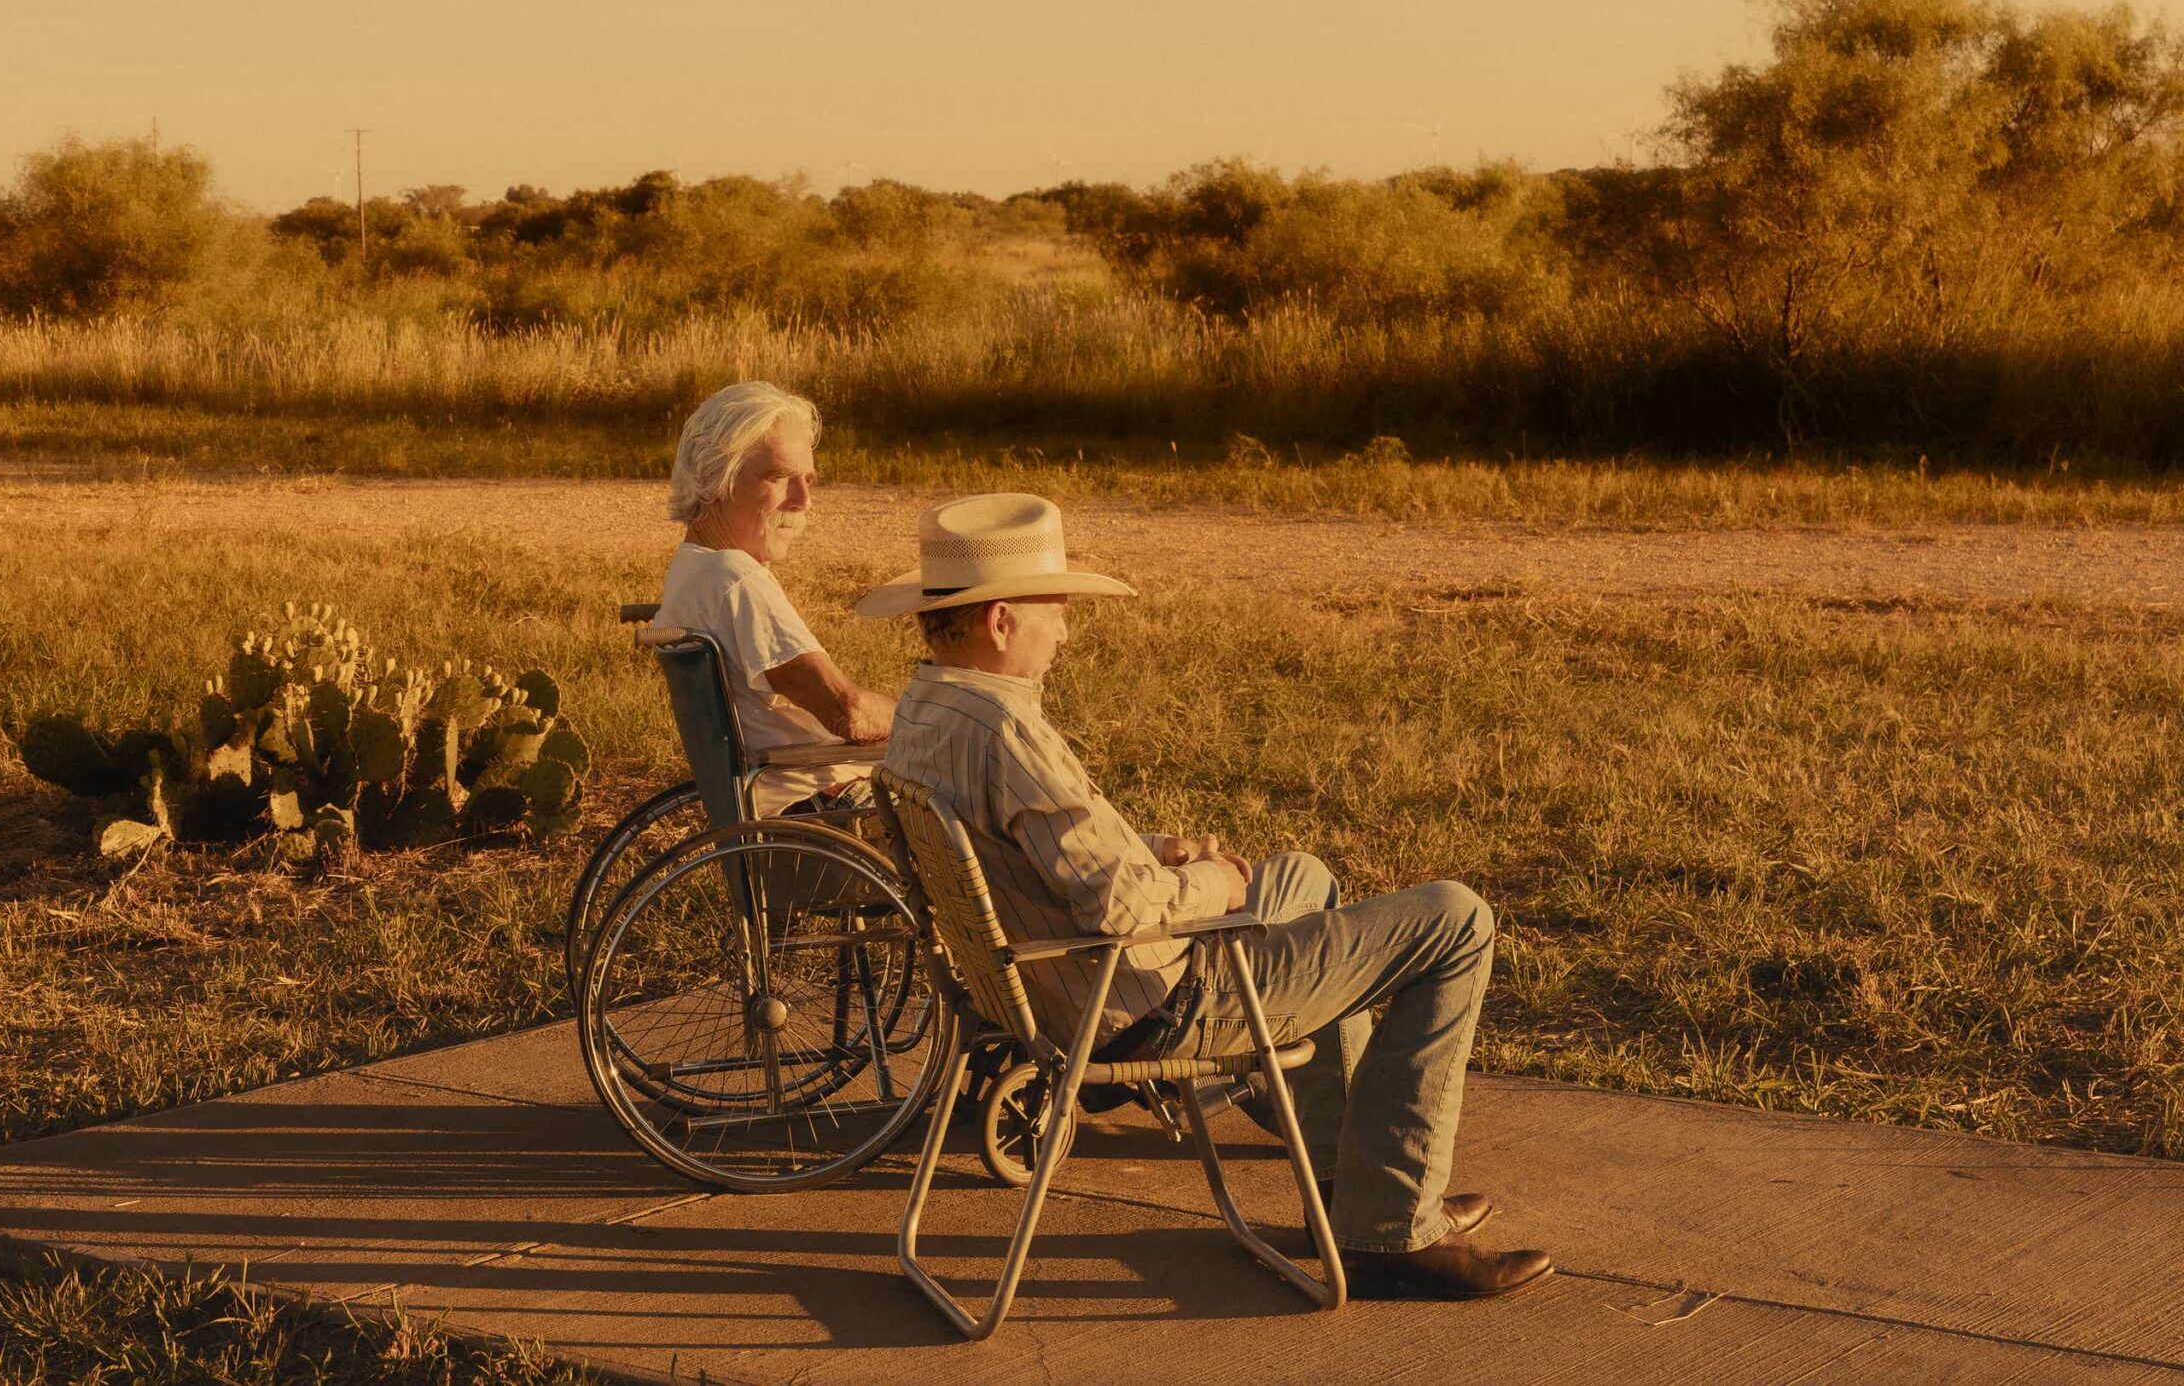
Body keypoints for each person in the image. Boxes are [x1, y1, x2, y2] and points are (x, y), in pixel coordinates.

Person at [863, 492, 1551, 1300]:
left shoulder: (925, 709)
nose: (1068, 630)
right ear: (1003, 620)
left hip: (1055, 988)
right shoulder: (1010, 734)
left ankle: (1348, 1189)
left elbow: (1035, 850)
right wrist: (1209, 881)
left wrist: (1158, 851)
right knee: (1457, 918)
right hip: (1150, 998)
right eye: (1056, 609)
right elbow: (1117, 908)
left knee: (1302, 875)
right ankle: (1391, 1227)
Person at [653, 381, 893, 815]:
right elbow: (849, 714)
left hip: (781, 808)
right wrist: (935, 720)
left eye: (809, 480)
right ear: (713, 478)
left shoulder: (692, 569)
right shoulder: (735, 578)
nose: (803, 501)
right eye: (780, 477)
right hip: (820, 809)